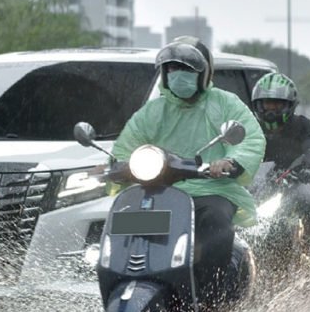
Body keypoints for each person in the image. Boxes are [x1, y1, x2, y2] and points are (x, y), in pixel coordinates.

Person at [113, 38, 266, 292]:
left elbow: (249, 137)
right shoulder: (153, 112)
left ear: (204, 73)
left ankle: (211, 295)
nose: (178, 75)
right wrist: (117, 166)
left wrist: (230, 161)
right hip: (158, 191)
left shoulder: (224, 103)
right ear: (164, 73)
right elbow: (128, 144)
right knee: (124, 223)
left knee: (216, 221)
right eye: (172, 69)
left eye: (186, 69)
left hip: (210, 189)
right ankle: (125, 281)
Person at [251, 72, 310, 261]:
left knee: (309, 198)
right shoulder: (252, 128)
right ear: (258, 105)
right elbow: (241, 151)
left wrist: (308, 168)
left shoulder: (302, 125)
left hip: (294, 180)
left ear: (289, 105)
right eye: (267, 104)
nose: (271, 109)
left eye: (277, 104)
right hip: (262, 184)